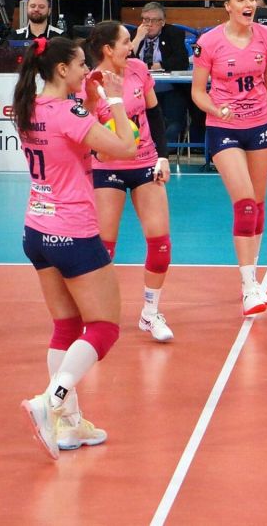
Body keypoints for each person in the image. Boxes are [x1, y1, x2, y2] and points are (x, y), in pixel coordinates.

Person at [13, 37, 136, 459]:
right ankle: (50, 402)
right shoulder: (68, 113)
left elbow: (72, 133)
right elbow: (126, 147)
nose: (87, 69)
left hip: (36, 230)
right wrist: (115, 99)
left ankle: (69, 425)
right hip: (73, 232)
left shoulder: (29, 107)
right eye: (82, 64)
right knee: (105, 327)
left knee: (66, 326)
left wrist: (90, 97)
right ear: (62, 69)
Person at [190, 0, 267, 316]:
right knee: (246, 203)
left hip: (259, 126)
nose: (248, 4)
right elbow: (197, 92)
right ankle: (249, 285)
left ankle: (252, 273)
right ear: (228, 6)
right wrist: (216, 109)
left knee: (259, 204)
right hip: (223, 128)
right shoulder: (209, 42)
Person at [84, 21, 174, 342]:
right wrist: (98, 149)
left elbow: (155, 115)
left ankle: (150, 313)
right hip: (107, 167)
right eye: (125, 42)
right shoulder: (90, 83)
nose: (130, 47)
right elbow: (84, 131)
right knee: (104, 248)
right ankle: (96, 314)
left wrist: (163, 156)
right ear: (108, 49)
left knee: (160, 244)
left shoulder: (138, 70)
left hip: (145, 162)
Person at [130, 2, 195, 145]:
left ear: (162, 22)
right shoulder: (135, 35)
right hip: (139, 90)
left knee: (174, 120)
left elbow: (181, 61)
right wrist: (137, 39)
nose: (149, 24)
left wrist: (160, 65)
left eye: (154, 20)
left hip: (169, 88)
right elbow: (125, 60)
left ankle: (164, 148)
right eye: (145, 20)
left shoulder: (174, 33)